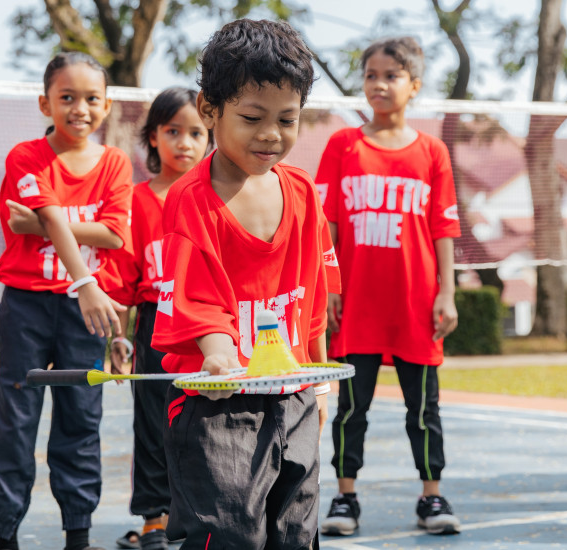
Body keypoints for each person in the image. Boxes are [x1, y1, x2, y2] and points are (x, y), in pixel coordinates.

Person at [150, 19, 339, 549]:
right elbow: (198, 300)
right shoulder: (191, 199)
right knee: (229, 533)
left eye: (287, 119)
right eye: (252, 118)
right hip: (219, 403)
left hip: (292, 392)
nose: (271, 135)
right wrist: (217, 353)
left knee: (295, 531)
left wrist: (318, 382)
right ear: (210, 110)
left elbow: (312, 298)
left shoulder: (302, 192)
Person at [318, 36, 462, 537]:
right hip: (356, 305)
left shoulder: (433, 152)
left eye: (392, 75)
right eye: (371, 75)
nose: (379, 84)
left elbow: (444, 228)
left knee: (423, 410)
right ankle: (344, 497)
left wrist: (446, 292)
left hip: (415, 303)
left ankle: (432, 495)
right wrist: (329, 286)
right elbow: (328, 225)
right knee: (350, 409)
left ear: (414, 86)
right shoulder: (343, 146)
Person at [0, 51, 131, 550]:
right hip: (26, 306)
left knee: (81, 422)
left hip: (83, 315)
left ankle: (78, 533)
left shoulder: (114, 162)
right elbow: (46, 219)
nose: (79, 108)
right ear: (44, 103)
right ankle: (6, 532)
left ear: (108, 105)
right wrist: (84, 280)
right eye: (66, 97)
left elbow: (114, 235)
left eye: (91, 98)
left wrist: (41, 223)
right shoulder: (25, 156)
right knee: (15, 424)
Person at [107, 87, 211, 550]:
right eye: (173, 131)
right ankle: (154, 515)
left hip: (208, 326)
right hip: (154, 322)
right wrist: (119, 338)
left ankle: (196, 513)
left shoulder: (216, 196)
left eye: (195, 132)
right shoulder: (137, 200)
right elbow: (124, 274)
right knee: (152, 423)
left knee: (203, 421)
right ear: (152, 137)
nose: (184, 142)